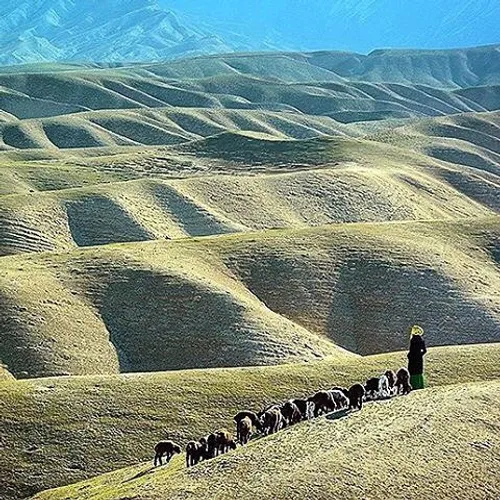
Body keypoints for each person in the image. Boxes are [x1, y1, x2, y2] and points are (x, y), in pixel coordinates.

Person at [407, 325, 427, 389]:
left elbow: (411, 350)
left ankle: (413, 385)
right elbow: (424, 350)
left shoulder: (412, 340)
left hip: (412, 358)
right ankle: (419, 385)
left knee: (412, 371)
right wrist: (420, 355)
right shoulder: (421, 340)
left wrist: (410, 355)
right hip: (419, 359)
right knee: (418, 371)